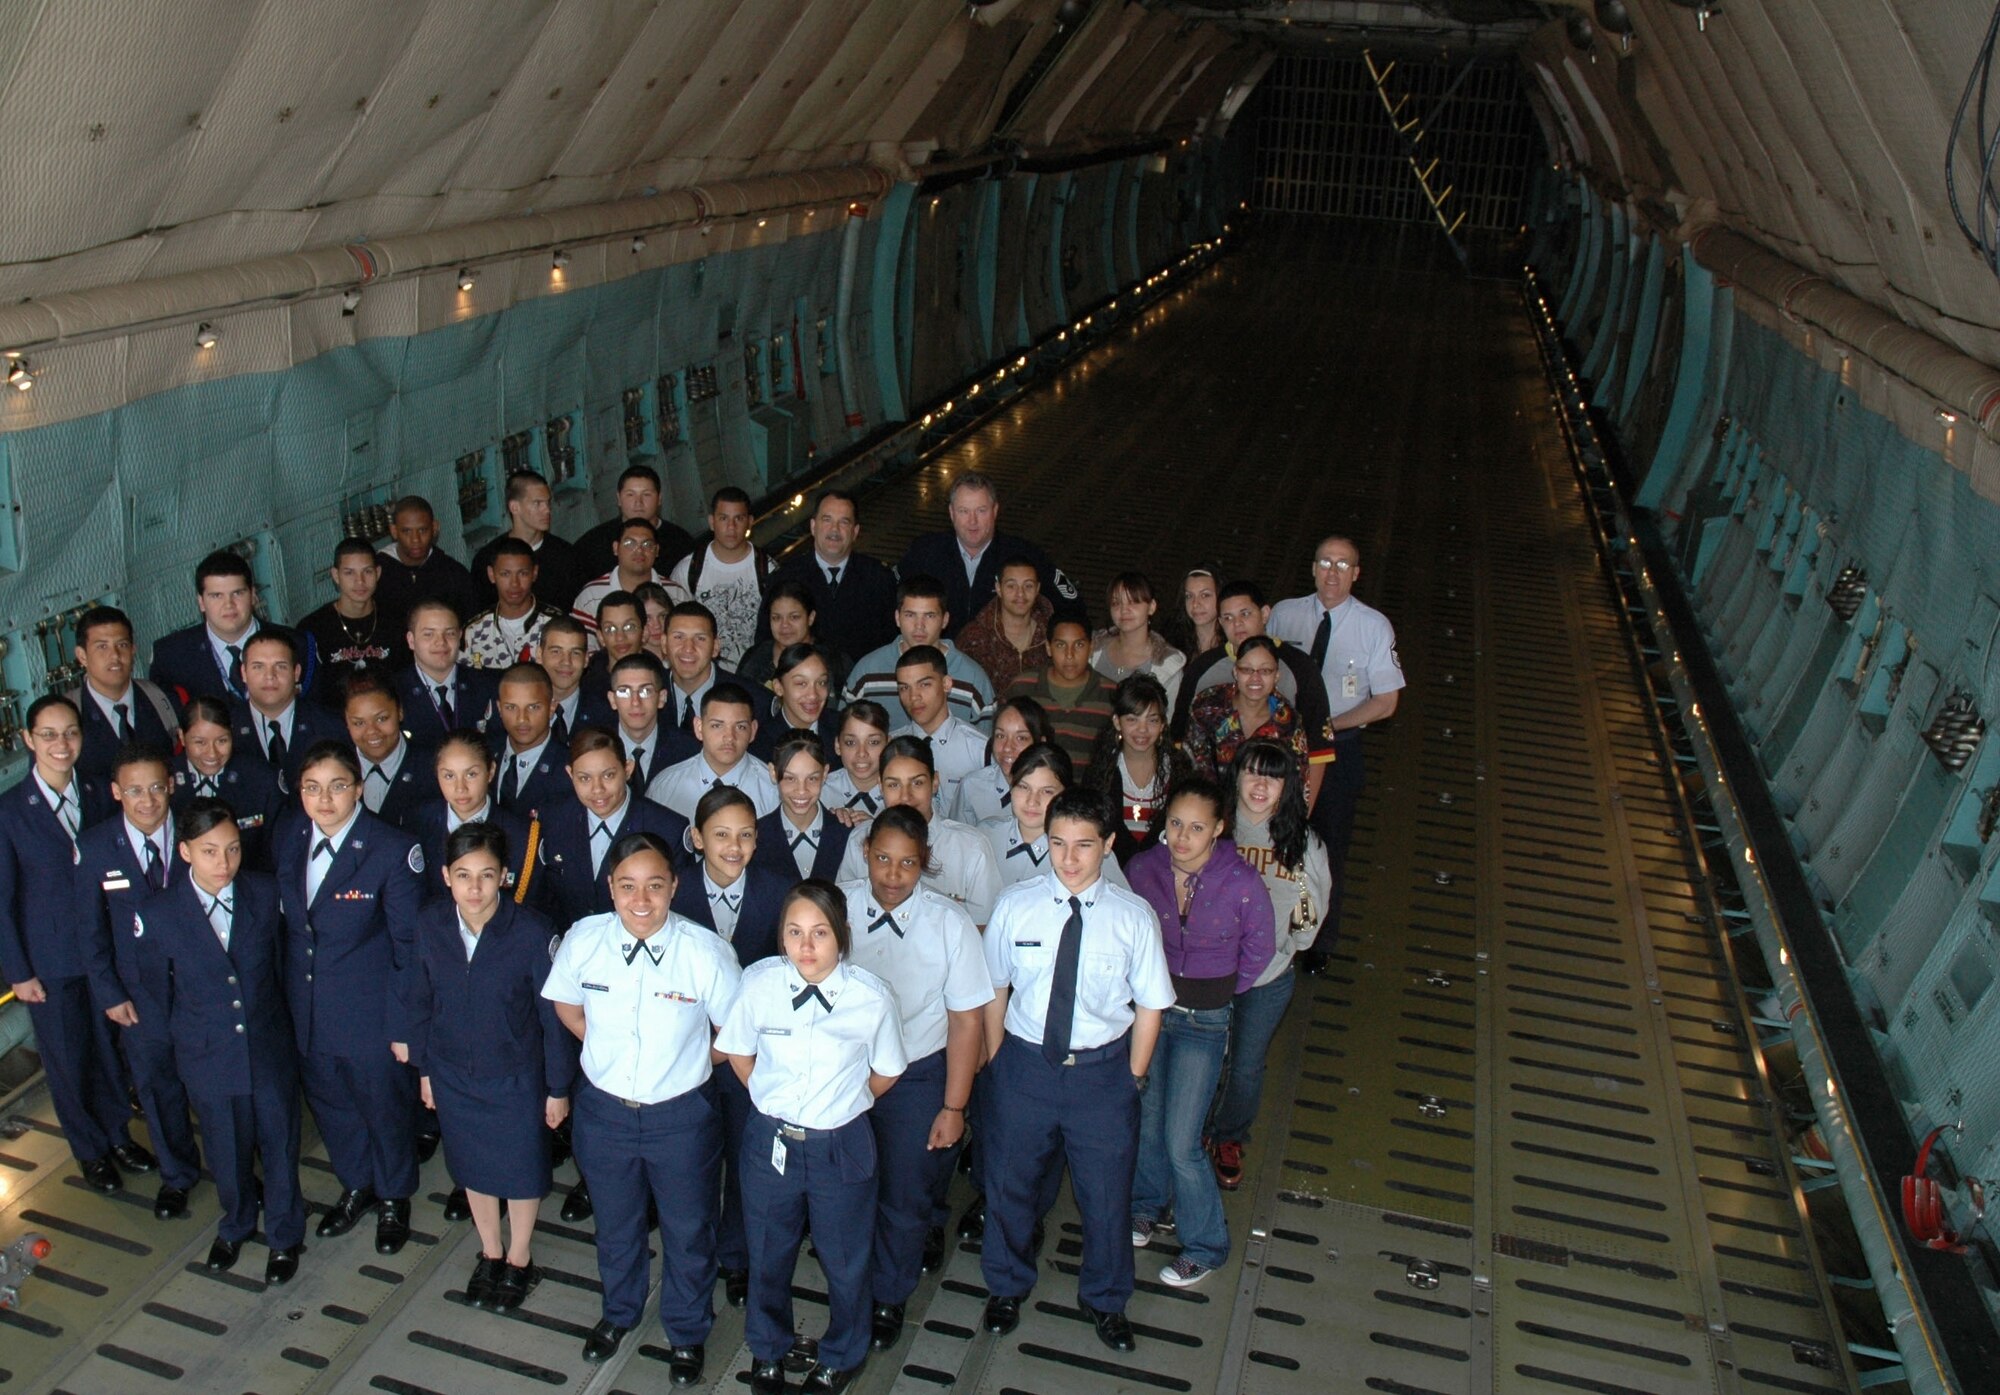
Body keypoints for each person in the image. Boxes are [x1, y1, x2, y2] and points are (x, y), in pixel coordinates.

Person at [543, 831, 742, 1381]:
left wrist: (684, 1064)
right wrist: (604, 1053)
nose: (641, 900)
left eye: (654, 886)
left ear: (674, 886)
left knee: (688, 1228)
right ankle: (620, 1312)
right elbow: (565, 1001)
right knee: (616, 1223)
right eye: (627, 886)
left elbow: (734, 1035)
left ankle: (686, 1330)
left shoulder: (705, 952)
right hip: (603, 1113)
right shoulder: (584, 939)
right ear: (610, 888)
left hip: (680, 1118)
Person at [977, 790, 1171, 1351]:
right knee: (1009, 1185)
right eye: (1057, 843)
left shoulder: (1132, 918)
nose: (1068, 858)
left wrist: (1131, 1076)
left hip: (1101, 1074)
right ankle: (1007, 1286)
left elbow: (1152, 1002)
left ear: (1108, 845)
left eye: (1084, 845)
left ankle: (1106, 1299)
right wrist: (996, 1059)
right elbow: (995, 986)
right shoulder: (1017, 905)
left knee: (1107, 1196)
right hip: (1024, 1065)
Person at [716, 880, 906, 1394]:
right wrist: (770, 1099)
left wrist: (840, 1105)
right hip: (771, 1141)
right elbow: (737, 1050)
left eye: (819, 933)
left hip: (839, 1145)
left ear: (841, 936)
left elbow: (886, 1071)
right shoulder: (759, 985)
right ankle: (769, 1350)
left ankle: (842, 1352)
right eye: (794, 932)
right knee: (768, 1252)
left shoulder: (870, 998)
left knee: (845, 1260)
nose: (806, 947)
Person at [840, 808, 991, 1351]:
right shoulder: (839, 908)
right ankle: (848, 1284)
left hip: (916, 1075)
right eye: (882, 858)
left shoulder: (949, 924)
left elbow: (966, 1018)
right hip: (846, 1072)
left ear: (925, 863)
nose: (893, 873)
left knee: (905, 1193)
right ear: (866, 855)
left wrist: (954, 1108)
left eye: (907, 862)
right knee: (847, 1189)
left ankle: (888, 1294)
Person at [409, 822, 573, 1311]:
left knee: (521, 1172)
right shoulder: (430, 926)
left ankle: (519, 1258)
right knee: (474, 1168)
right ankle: (491, 1250)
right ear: (445, 877)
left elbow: (552, 1020)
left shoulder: (532, 932)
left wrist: (558, 1087)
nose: (474, 888)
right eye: (463, 875)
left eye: (486, 875)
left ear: (505, 875)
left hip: (517, 1077)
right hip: (453, 1072)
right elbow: (420, 999)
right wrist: (424, 1070)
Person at [275, 739, 426, 1256]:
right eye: (312, 788)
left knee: (383, 1108)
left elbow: (409, 947)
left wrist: (404, 1025)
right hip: (309, 1011)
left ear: (359, 789)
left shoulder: (389, 849)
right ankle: (357, 1184)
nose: (324, 800)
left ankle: (393, 1197)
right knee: (332, 1106)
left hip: (370, 1014)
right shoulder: (290, 835)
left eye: (337, 787)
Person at [1124, 779, 1274, 1287]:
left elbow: (1261, 945)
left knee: (1182, 1139)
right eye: (1175, 824)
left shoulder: (1241, 881)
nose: (1183, 837)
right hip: (1152, 1015)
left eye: (1196, 827)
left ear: (1218, 830)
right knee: (1146, 1120)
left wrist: (1224, 991)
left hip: (1204, 1023)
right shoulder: (1143, 871)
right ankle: (1147, 1207)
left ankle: (1206, 1244)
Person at [153, 798, 306, 1285]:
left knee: (280, 1144)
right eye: (209, 851)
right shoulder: (160, 913)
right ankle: (237, 1222)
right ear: (185, 852)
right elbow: (157, 991)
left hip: (266, 1046)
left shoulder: (264, 892)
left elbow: (284, 966)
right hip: (208, 1054)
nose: (223, 863)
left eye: (233, 850)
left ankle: (284, 1234)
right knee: (226, 1149)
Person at [0, 697, 140, 1193]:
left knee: (110, 1048)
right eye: (49, 735)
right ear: (28, 740)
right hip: (51, 961)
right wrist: (18, 971)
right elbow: (3, 899)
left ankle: (118, 1133)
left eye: (71, 733)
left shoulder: (100, 793)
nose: (61, 745)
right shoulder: (11, 811)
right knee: (67, 1059)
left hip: (103, 951)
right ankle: (90, 1150)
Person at [670, 786, 789, 1308]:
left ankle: (739, 1256)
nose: (733, 846)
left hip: (750, 1058)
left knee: (747, 1160)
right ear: (697, 838)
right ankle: (691, 1254)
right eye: (721, 834)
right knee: (690, 1160)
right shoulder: (672, 893)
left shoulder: (781, 891)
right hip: (686, 1052)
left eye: (745, 834)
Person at [1266, 535, 1403, 972]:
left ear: (1357, 574)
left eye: (1343, 565)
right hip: (1284, 746)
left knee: (1328, 846)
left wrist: (1329, 726)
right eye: (1325, 562)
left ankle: (1320, 940)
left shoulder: (1374, 627)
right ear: (1312, 568)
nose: (1332, 573)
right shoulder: (1286, 615)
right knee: (1269, 836)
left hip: (1339, 749)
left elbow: (1386, 700)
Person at [78, 743, 201, 1218]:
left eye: (155, 787)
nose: (147, 800)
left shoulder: (198, 831)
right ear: (115, 793)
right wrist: (109, 993)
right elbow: (89, 930)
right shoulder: (94, 848)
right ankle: (177, 1175)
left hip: (198, 987)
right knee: (156, 1088)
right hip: (138, 997)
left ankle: (237, 1170)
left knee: (213, 1087)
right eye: (134, 790)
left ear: (171, 785)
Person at [1209, 738, 1330, 1192]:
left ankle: (1229, 1137)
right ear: (1235, 775)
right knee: (1203, 1058)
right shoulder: (1214, 828)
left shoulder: (1301, 842)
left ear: (1288, 785)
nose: (1261, 784)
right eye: (1252, 771)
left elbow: (1311, 908)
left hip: (1267, 979)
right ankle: (1196, 1127)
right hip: (1207, 974)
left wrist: (1287, 949)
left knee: (1245, 1065)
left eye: (1273, 775)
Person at [1169, 580, 1334, 797]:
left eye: (1245, 614)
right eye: (1228, 618)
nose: (1237, 624)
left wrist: (1300, 818)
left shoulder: (1301, 668)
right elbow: (1181, 746)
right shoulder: (1201, 669)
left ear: (1265, 614)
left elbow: (1316, 753)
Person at [836, 736, 1002, 928]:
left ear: (935, 782)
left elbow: (985, 927)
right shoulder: (860, 839)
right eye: (893, 785)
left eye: (917, 783)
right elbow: (844, 914)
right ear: (880, 786)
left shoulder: (971, 848)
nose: (905, 796)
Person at [896, 471, 1084, 639]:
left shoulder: (1026, 556)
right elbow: (892, 601)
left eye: (981, 510)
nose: (972, 521)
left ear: (995, 511)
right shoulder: (924, 552)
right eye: (963, 511)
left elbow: (1071, 606)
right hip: (937, 662)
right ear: (951, 513)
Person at [538, 727, 689, 933]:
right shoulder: (553, 819)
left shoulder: (668, 829)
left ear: (627, 769)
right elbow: (543, 899)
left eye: (608, 775)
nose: (597, 789)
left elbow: (679, 911)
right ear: (570, 774)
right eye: (584, 778)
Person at [408, 731, 545, 916]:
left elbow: (528, 908)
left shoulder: (522, 835)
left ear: (491, 772)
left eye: (471, 774)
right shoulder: (416, 824)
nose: (460, 788)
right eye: (449, 776)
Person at [845, 575, 995, 729]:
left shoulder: (973, 678)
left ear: (945, 620)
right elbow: (845, 733)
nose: (919, 626)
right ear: (897, 618)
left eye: (929, 616)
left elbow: (985, 745)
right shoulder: (867, 672)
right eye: (910, 615)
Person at [768, 489, 899, 661]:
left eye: (844, 522)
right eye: (827, 520)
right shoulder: (785, 577)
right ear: (813, 526)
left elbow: (892, 641)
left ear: (855, 531)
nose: (834, 530)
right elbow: (766, 641)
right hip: (802, 683)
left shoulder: (879, 578)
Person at [1183, 635, 1324, 791]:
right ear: (1235, 672)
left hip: (1268, 809)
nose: (1255, 678)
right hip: (1209, 809)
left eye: (1265, 671)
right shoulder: (1207, 707)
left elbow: (1299, 782)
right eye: (1247, 670)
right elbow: (1189, 768)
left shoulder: (1288, 722)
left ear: (1276, 676)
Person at [1083, 674, 1190, 863]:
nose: (1142, 730)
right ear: (1117, 722)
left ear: (1163, 725)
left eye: (1152, 720)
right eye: (1132, 720)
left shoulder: (1179, 770)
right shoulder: (1099, 772)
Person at [171, 695, 284, 871]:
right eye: (200, 742)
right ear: (182, 737)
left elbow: (277, 851)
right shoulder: (165, 780)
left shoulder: (261, 778)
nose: (212, 753)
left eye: (222, 741)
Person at [66, 606, 177, 783]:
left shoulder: (161, 699)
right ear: (82, 655)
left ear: (133, 649)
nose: (115, 656)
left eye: (122, 645)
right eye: (102, 647)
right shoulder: (68, 715)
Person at [669, 487, 775, 666]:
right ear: (712, 522)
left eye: (738, 519)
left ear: (750, 522)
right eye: (723, 518)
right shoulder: (689, 569)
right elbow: (674, 625)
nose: (731, 527)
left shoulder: (768, 569)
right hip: (703, 671)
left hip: (755, 672)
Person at [149, 549, 265, 710]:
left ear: (252, 595)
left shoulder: (296, 644)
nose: (229, 604)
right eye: (217, 596)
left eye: (237, 593)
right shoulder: (171, 655)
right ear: (201, 602)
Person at [299, 538, 409, 705]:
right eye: (349, 572)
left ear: (378, 573)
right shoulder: (314, 627)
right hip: (335, 722)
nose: (360, 581)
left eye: (367, 571)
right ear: (336, 575)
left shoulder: (397, 621)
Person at [647, 683, 779, 819]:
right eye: (717, 726)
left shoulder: (774, 790)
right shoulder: (665, 787)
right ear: (699, 728)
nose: (729, 737)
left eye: (740, 727)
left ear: (753, 730)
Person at [233, 627, 342, 791]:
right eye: (258, 666)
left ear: (296, 672)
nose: (270, 675)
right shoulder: (227, 730)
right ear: (243, 672)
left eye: (280, 666)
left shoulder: (331, 726)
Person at [1003, 619, 1117, 767]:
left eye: (1079, 645)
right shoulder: (1022, 687)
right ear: (1048, 648)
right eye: (1061, 645)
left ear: (1091, 648)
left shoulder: (1111, 694)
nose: (1069, 655)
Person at [470, 470, 585, 614]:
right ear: (514, 507)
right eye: (537, 503)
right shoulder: (488, 558)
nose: (547, 510)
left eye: (548, 502)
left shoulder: (566, 556)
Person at [891, 645, 986, 812]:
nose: (914, 696)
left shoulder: (980, 749)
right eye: (904, 688)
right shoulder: (891, 746)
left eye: (924, 684)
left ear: (946, 684)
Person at [395, 599, 500, 745]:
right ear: (411, 640)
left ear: (460, 636)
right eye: (429, 634)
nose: (441, 642)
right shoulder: (395, 692)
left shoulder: (486, 686)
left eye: (450, 633)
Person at [754, 730, 852, 883]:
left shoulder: (847, 834)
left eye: (812, 778)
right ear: (773, 772)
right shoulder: (756, 836)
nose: (801, 790)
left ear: (825, 773)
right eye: (790, 778)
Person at [343, 672, 436, 829]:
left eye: (382, 719)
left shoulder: (432, 768)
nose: (371, 731)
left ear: (399, 712)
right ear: (346, 721)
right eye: (359, 723)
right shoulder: (336, 770)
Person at [374, 496, 479, 634]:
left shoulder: (453, 574)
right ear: (394, 531)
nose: (415, 539)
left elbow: (471, 627)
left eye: (422, 530)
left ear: (434, 528)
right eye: (406, 531)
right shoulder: (377, 574)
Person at [572, 464, 695, 580]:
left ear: (659, 499)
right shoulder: (593, 545)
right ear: (619, 499)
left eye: (646, 495)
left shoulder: (681, 543)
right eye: (630, 495)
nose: (638, 502)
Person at [572, 519, 685, 640]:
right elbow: (585, 650)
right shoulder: (591, 596)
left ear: (657, 550)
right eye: (630, 544)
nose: (639, 550)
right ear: (616, 548)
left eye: (647, 544)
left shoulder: (676, 593)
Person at [950, 696, 1054, 827]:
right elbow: (959, 840)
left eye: (1021, 738)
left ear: (1041, 743)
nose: (1007, 747)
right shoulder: (972, 786)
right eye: (1000, 736)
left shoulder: (1054, 790)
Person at [1089, 572, 1185, 712]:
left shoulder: (1167, 666)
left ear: (1151, 607)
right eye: (1116, 603)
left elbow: (1168, 720)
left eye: (1133, 602)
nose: (1124, 610)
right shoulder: (1091, 650)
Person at [487, 662, 573, 817]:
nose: (522, 719)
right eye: (511, 707)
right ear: (499, 709)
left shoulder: (569, 768)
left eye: (533, 707)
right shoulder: (484, 755)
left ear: (552, 708)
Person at [465, 538, 566, 668]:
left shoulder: (557, 624)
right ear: (491, 574)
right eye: (505, 574)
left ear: (534, 573)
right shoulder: (474, 631)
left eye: (523, 574)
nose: (514, 583)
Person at [953, 559, 1052, 691]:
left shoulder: (1052, 634)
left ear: (1037, 589)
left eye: (1028, 586)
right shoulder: (974, 637)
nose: (1020, 594)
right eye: (1011, 586)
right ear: (998, 589)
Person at [738, 581, 850, 693]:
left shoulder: (836, 663)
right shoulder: (754, 660)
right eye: (776, 618)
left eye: (794, 617)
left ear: (810, 618)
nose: (785, 625)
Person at [747, 642, 844, 763]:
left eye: (821, 682)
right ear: (778, 687)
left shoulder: (842, 729)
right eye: (801, 683)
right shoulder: (761, 743)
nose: (813, 695)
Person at [661, 601, 737, 752]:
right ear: (664, 644)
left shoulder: (752, 700)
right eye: (678, 637)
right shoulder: (647, 696)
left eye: (700, 638)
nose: (688, 648)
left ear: (715, 647)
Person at [607, 651, 685, 788]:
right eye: (624, 691)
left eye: (646, 691)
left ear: (661, 698)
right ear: (612, 700)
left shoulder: (686, 751)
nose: (635, 702)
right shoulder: (593, 750)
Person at [537, 615, 609, 748]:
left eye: (575, 653)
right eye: (556, 651)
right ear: (539, 655)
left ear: (586, 659)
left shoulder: (605, 713)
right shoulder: (520, 709)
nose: (566, 662)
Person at [823, 700, 891, 817]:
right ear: (838, 745)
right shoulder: (820, 792)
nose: (861, 753)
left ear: (888, 745)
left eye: (873, 742)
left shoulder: (903, 795)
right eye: (850, 742)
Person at [1162, 565, 1224, 659]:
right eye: (1189, 596)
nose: (1195, 604)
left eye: (1205, 595)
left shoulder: (1233, 647)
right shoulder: (1169, 646)